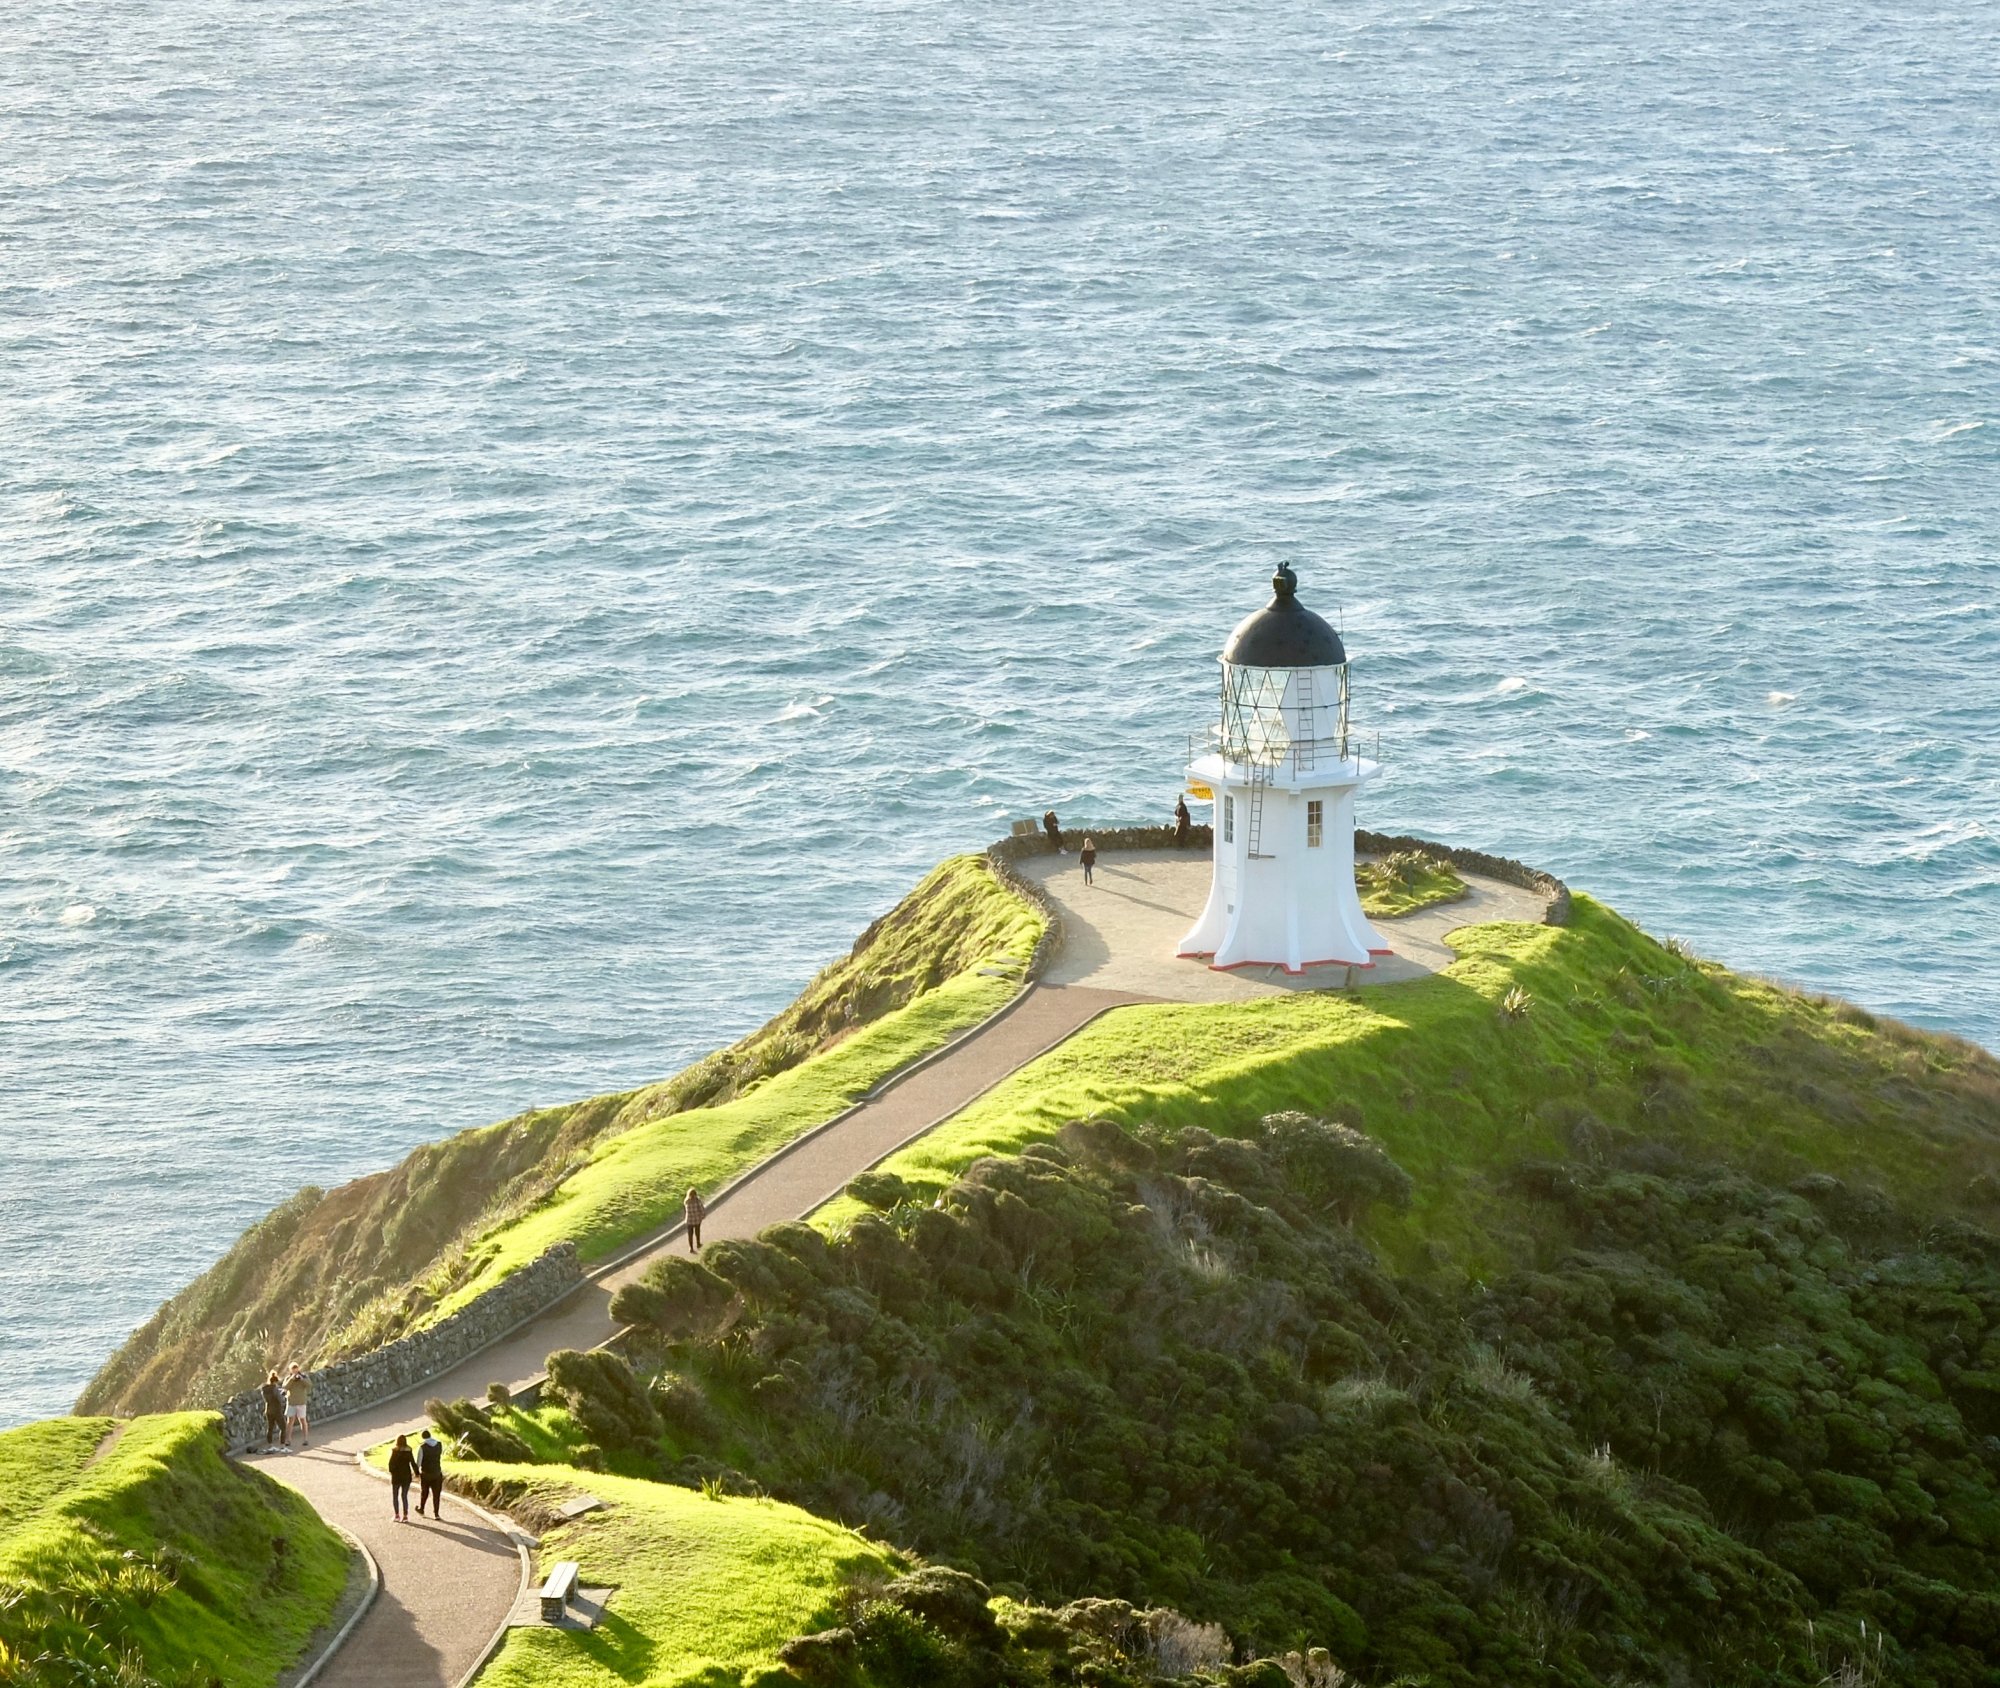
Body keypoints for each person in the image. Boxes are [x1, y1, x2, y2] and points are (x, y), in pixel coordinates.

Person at [415, 1428, 445, 1519]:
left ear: (423, 1437)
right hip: (437, 1473)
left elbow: (418, 1463)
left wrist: (416, 1473)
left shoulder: (422, 1447)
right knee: (436, 1494)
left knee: (424, 1493)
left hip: (426, 1473)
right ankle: (436, 1513)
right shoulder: (439, 1445)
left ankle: (422, 1509)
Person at [387, 1434, 416, 1522]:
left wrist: (392, 1472)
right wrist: (417, 1473)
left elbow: (390, 1464)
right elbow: (412, 1463)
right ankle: (405, 1516)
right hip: (406, 1476)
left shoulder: (395, 1451)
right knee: (404, 1496)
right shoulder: (409, 1451)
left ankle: (396, 1515)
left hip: (396, 1476)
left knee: (395, 1496)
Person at [284, 1364, 311, 1448]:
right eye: (293, 1369)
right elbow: (285, 1387)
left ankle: (305, 1439)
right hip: (291, 1402)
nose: (295, 1371)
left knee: (303, 1421)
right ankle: (288, 1440)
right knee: (290, 1421)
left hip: (301, 1402)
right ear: (290, 1370)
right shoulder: (288, 1378)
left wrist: (302, 1379)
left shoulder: (303, 1376)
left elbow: (309, 1385)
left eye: (296, 1369)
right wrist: (292, 1379)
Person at [260, 1371, 287, 1451]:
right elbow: (279, 1399)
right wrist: (283, 1395)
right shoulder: (275, 1389)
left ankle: (270, 1445)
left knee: (270, 1428)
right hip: (277, 1410)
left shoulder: (264, 1390)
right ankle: (282, 1446)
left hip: (268, 1410)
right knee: (283, 1427)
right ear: (275, 1381)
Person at [684, 1186, 705, 1252]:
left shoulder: (686, 1201)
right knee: (697, 1232)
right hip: (697, 1219)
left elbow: (686, 1210)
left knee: (690, 1234)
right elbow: (701, 1209)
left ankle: (691, 1247)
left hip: (689, 1220)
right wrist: (702, 1215)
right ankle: (698, 1243)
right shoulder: (697, 1200)